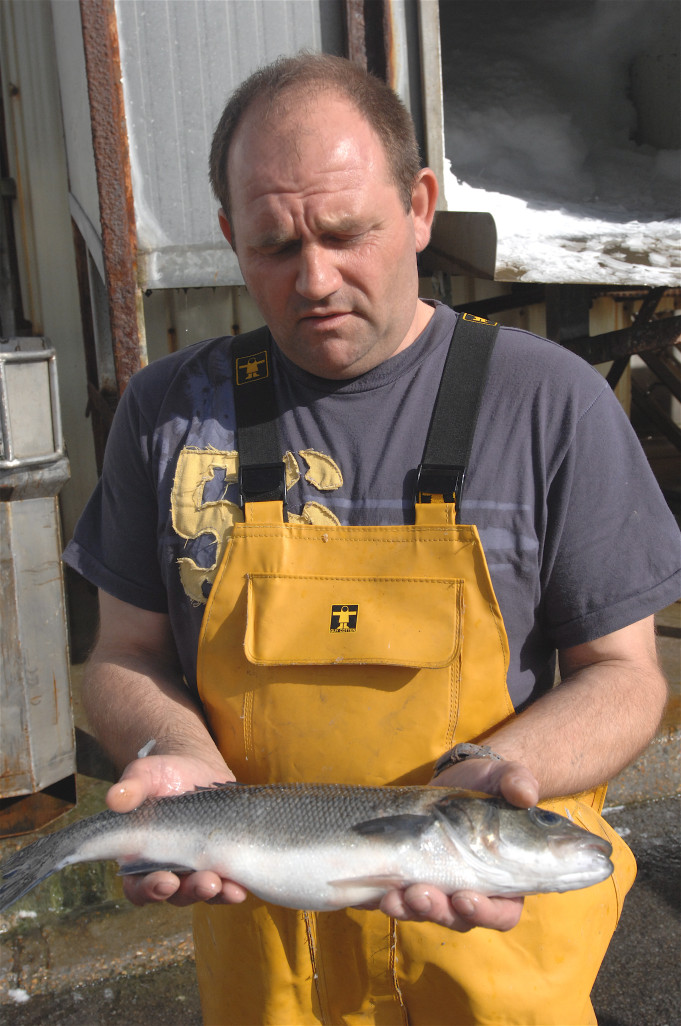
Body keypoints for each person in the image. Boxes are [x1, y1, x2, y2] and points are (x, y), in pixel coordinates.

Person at [63, 53, 680, 1025]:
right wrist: (174, 750)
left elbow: (627, 674)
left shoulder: (550, 403)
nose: (315, 279)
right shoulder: (166, 413)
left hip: (494, 946)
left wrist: (497, 776)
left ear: (421, 206)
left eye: (348, 233)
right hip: (264, 962)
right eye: (273, 245)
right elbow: (122, 654)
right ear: (229, 236)